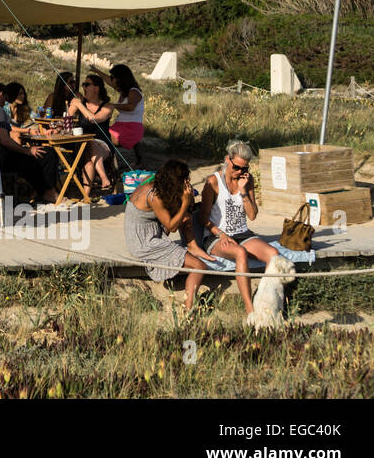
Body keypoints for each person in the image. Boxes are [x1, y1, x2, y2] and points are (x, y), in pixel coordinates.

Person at [199, 140, 279, 317]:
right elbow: (203, 219)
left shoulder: (246, 181)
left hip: (243, 233)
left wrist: (243, 191)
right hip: (216, 235)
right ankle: (250, 309)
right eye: (237, 167)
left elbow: (252, 215)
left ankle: (266, 301)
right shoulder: (213, 182)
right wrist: (220, 234)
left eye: (245, 168)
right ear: (228, 160)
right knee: (240, 253)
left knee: (273, 254)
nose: (240, 172)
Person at [125, 159, 216, 312]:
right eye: (185, 180)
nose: (187, 183)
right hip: (145, 243)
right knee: (199, 266)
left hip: (147, 234)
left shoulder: (155, 184)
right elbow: (171, 227)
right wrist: (185, 202)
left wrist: (186, 204)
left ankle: (192, 247)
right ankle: (188, 311)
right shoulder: (154, 196)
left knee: (185, 215)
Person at [0, 82, 52, 202]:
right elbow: (4, 140)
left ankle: (35, 192)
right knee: (45, 154)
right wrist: (26, 150)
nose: (5, 101)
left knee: (30, 158)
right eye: (5, 97)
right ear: (1, 94)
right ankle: (48, 192)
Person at [65, 74, 115, 197]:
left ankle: (102, 178)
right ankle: (87, 194)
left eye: (87, 84)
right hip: (83, 144)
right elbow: (66, 121)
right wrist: (71, 108)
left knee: (90, 142)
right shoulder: (80, 103)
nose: (83, 87)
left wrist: (79, 105)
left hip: (103, 145)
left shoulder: (108, 106)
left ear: (96, 88)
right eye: (83, 84)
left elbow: (94, 119)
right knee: (88, 156)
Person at [92, 63, 144, 152]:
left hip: (131, 128)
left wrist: (114, 105)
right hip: (120, 126)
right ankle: (109, 160)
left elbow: (131, 107)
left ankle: (109, 160)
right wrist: (96, 71)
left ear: (120, 79)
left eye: (113, 77)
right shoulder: (123, 91)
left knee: (101, 137)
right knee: (99, 136)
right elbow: (108, 81)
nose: (111, 79)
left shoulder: (133, 92)